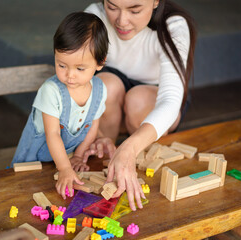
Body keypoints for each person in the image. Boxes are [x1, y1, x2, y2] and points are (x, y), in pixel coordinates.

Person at [84, 0, 196, 210]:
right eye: (112, 7)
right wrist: (97, 136)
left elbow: (171, 100)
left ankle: (134, 156)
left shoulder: (173, 25)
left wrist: (131, 147)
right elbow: (76, 82)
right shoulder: (94, 17)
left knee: (138, 100)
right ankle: (105, 154)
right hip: (114, 96)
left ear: (155, 1)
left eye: (134, 10)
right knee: (103, 86)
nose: (121, 21)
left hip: (151, 97)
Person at [11, 12, 110, 199]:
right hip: (33, 165)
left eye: (80, 68)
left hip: (66, 162)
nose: (70, 75)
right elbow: (53, 134)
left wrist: (79, 156)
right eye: (61, 65)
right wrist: (64, 167)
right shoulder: (51, 91)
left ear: (100, 62)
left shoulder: (99, 89)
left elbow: (93, 126)